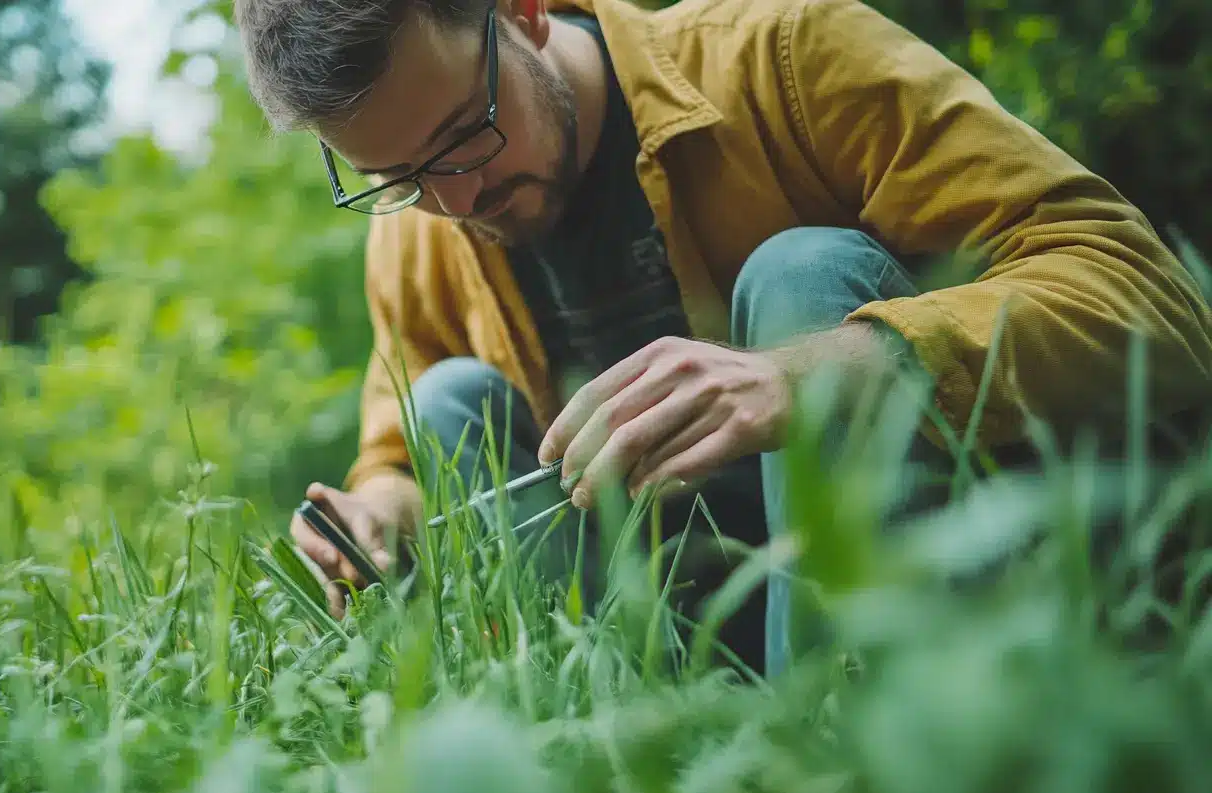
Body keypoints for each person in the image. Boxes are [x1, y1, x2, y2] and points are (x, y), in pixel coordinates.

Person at [234, 0, 1212, 677]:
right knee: (448, 398)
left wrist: (824, 370)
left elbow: (1150, 294)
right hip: (672, 629)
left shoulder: (783, 57)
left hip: (926, 575)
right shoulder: (418, 234)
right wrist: (377, 513)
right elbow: (395, 446)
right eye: (398, 176)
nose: (455, 200)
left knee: (804, 274)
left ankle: (838, 731)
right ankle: (622, 743)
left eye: (464, 134)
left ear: (525, 13)